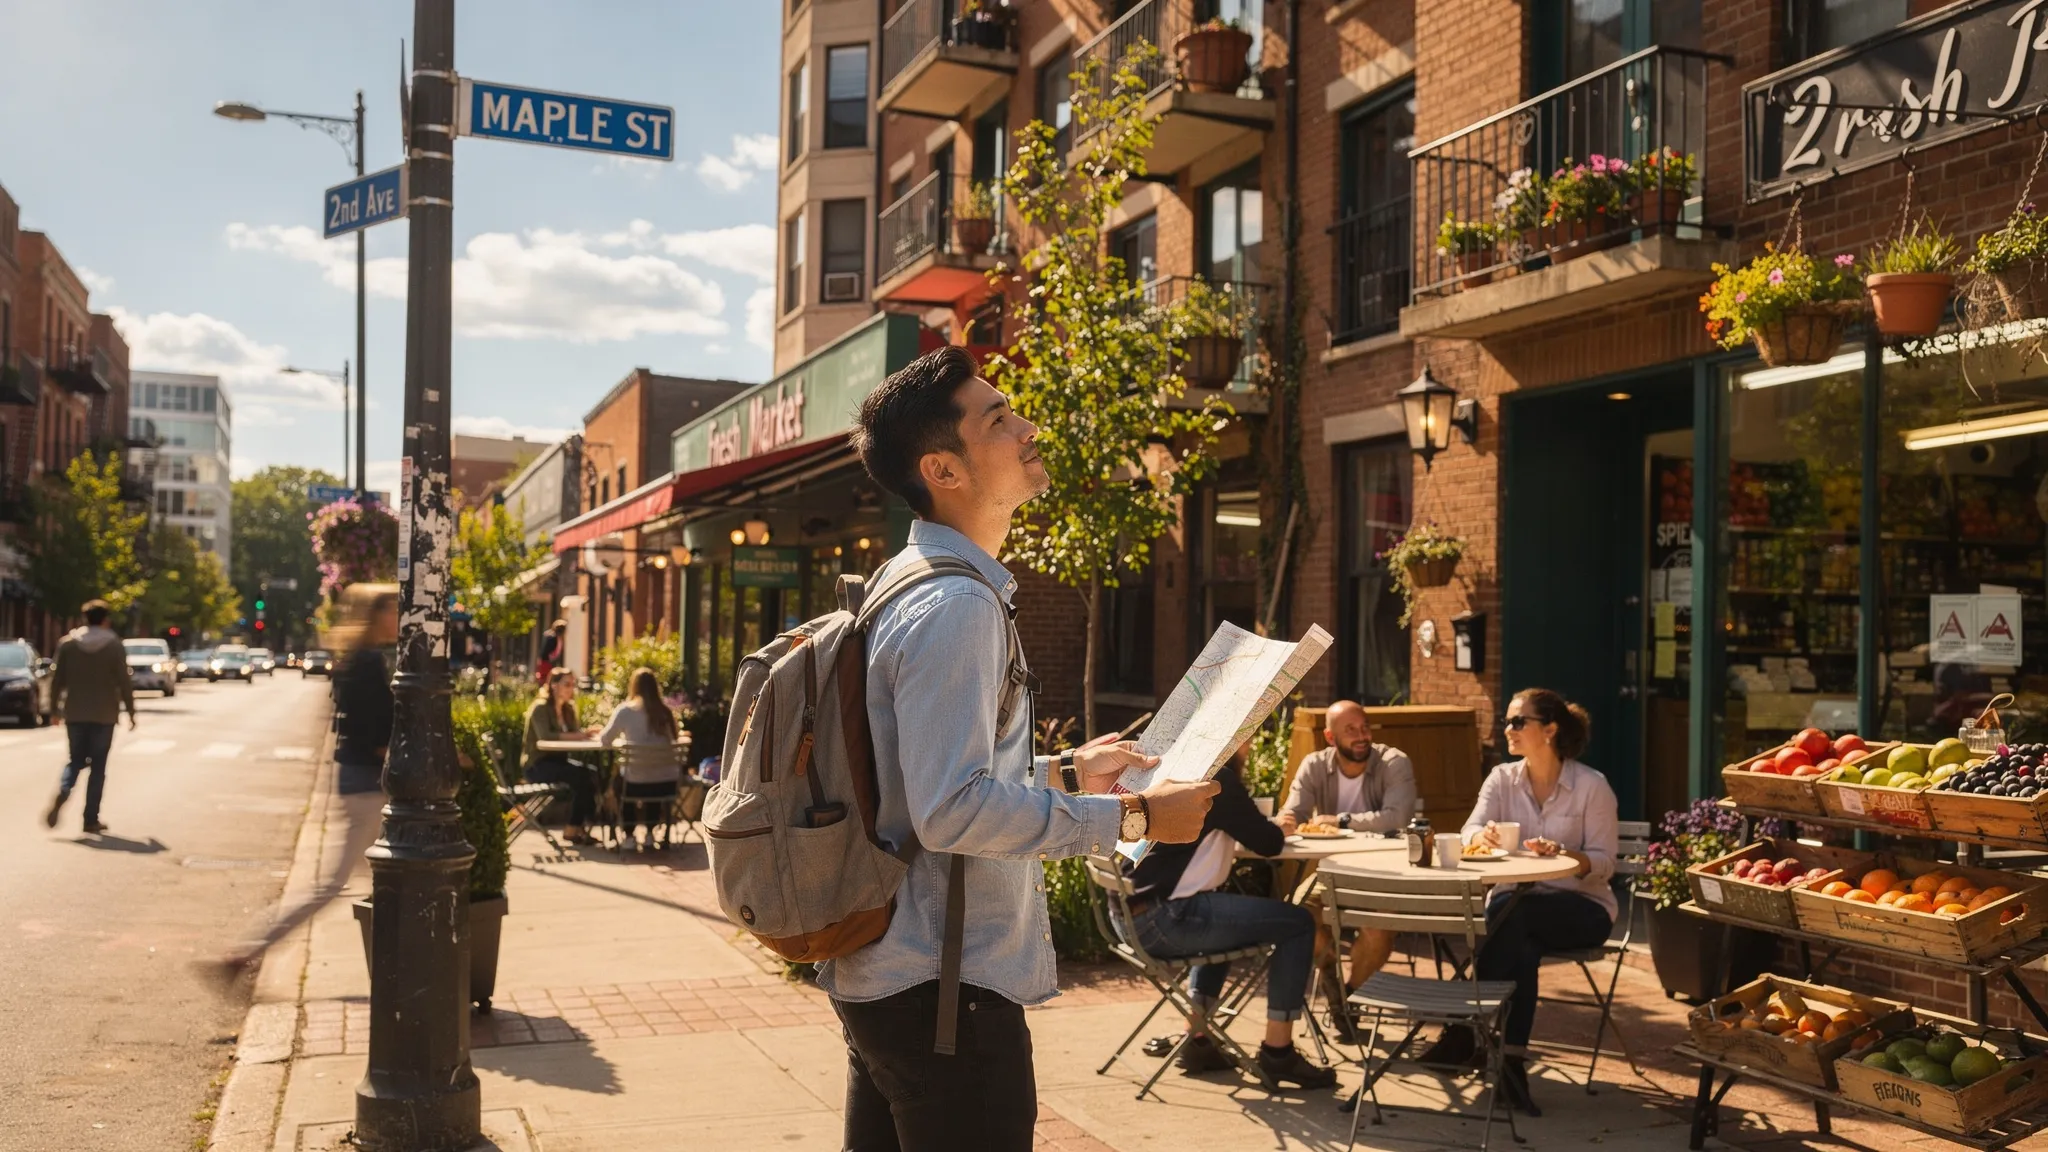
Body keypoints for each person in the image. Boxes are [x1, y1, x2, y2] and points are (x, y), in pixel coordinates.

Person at [829, 345, 1218, 1152]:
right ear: (943, 469)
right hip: (946, 998)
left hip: (897, 981)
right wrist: (1135, 817)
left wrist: (1070, 771)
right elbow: (949, 810)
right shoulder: (954, 607)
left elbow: (915, 781)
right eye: (999, 420)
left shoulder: (907, 582)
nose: (1029, 427)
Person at [1427, 687, 1618, 1116]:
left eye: (1518, 722)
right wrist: (1483, 837)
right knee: (1522, 944)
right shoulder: (1501, 779)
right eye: (1507, 721)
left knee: (1512, 913)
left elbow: (1606, 864)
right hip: (1516, 911)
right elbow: (1468, 830)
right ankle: (1510, 1066)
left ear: (1549, 730)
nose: (1507, 729)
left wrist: (1566, 857)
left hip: (1583, 908)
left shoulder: (1592, 787)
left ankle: (1465, 1026)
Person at [206, 583, 397, 985]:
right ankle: (244, 952)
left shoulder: (358, 660)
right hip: (366, 783)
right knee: (338, 884)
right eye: (393, 609)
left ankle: (400, 969)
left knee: (384, 884)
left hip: (357, 777)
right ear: (375, 615)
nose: (399, 617)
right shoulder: (366, 664)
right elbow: (370, 732)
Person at [1126, 756, 1337, 1088]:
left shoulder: (1171, 769)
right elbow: (1268, 843)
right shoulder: (1214, 779)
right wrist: (1280, 826)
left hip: (1131, 921)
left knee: (1224, 915)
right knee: (1298, 923)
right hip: (1169, 919)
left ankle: (1198, 1039)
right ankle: (1278, 1051)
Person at [1280, 701, 1418, 1004]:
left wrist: (1340, 820)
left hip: (1385, 873)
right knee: (1297, 917)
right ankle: (1329, 972)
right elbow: (1293, 814)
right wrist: (1285, 821)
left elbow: (1397, 817)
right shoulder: (1315, 765)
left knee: (1377, 930)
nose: (1361, 736)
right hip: (1333, 872)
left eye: (1365, 727)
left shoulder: (1394, 762)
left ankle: (1348, 996)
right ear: (1331, 738)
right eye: (1351, 730)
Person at [44, 599, 137, 834]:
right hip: (105, 714)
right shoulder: (114, 645)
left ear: (85, 618)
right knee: (98, 767)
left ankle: (65, 790)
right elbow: (124, 682)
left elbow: (56, 681)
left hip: (75, 712)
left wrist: (54, 710)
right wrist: (132, 712)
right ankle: (90, 819)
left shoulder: (68, 644)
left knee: (75, 760)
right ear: (105, 619)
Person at [597, 666, 684, 848]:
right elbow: (675, 738)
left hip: (634, 784)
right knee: (653, 773)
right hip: (666, 785)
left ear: (633, 687)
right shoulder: (666, 712)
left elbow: (605, 740)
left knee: (622, 781)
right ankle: (651, 834)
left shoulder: (625, 711)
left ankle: (629, 835)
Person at [522, 668, 601, 845]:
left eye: (573, 684)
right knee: (580, 776)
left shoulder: (569, 709)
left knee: (592, 773)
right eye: (567, 684)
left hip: (559, 762)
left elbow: (574, 734)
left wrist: (586, 734)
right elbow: (545, 737)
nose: (570, 688)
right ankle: (575, 827)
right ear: (554, 685)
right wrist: (580, 735)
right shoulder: (540, 708)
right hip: (538, 765)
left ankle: (581, 825)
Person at [536, 619, 567, 684]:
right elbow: (547, 651)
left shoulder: (556, 637)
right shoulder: (552, 637)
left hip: (548, 662)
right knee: (546, 680)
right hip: (546, 662)